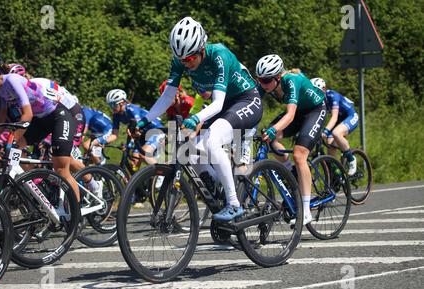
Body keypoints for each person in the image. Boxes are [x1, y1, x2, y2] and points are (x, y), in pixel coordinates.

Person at [135, 17, 263, 221]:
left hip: (245, 99)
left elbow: (218, 103)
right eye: (182, 60)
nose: (187, 63)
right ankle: (215, 185)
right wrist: (145, 120)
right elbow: (168, 96)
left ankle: (233, 203)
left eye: (190, 58)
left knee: (212, 142)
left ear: (202, 47)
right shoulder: (180, 60)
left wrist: (195, 119)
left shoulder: (219, 54)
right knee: (189, 151)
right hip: (224, 105)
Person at [0, 59, 80, 200]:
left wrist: (13, 141)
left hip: (58, 115)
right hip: (40, 120)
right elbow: (0, 119)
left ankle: (77, 214)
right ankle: (37, 195)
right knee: (13, 154)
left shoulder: (12, 80)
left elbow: (27, 115)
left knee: (61, 170)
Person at [257, 54, 327, 226]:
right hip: (298, 114)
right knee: (268, 139)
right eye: (259, 80)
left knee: (299, 155)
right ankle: (291, 172)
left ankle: (306, 211)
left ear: (278, 77)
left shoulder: (291, 80)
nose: (262, 84)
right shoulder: (266, 85)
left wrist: (274, 129)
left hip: (314, 110)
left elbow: (290, 115)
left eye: (266, 81)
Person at [311, 78, 358, 175]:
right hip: (340, 120)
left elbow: (334, 116)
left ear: (324, 89)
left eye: (318, 91)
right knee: (329, 143)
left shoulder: (332, 95)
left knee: (336, 133)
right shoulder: (317, 101)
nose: (316, 94)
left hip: (350, 116)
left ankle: (351, 159)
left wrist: (325, 131)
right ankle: (336, 173)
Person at [107, 89, 165, 168]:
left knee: (144, 155)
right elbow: (114, 134)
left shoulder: (132, 109)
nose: (112, 108)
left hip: (157, 131)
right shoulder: (116, 115)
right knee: (134, 161)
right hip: (143, 136)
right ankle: (139, 179)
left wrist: (129, 145)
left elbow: (137, 128)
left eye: (113, 105)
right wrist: (101, 143)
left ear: (122, 103)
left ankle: (165, 171)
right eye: (110, 105)